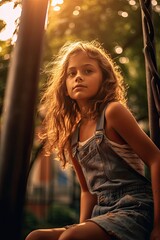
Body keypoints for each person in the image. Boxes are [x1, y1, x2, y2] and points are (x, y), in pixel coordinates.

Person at [26, 40, 160, 240]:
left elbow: (156, 159)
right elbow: (87, 191)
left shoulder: (113, 112)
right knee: (35, 237)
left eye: (88, 71)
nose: (78, 77)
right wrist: (81, 226)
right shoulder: (73, 135)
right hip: (101, 213)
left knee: (69, 238)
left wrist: (158, 225)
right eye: (72, 73)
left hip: (134, 208)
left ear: (104, 78)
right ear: (65, 85)